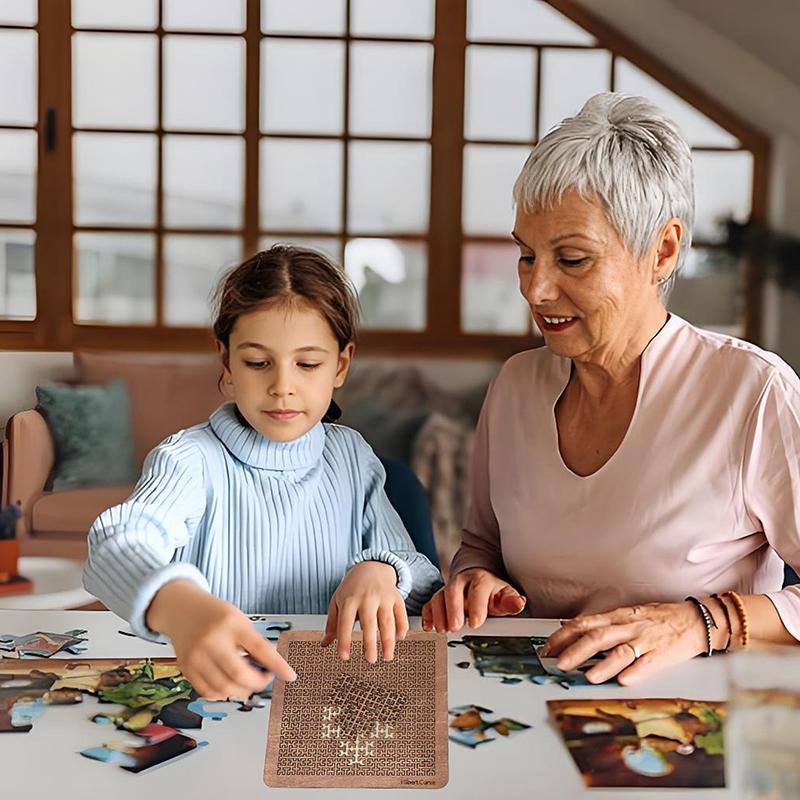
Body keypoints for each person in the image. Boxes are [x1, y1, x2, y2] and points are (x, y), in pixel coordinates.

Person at [422, 92, 800, 684]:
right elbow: (480, 543)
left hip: (691, 730)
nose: (536, 289)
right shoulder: (517, 386)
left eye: (572, 259)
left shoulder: (751, 393)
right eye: (526, 255)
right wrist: (474, 581)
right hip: (527, 708)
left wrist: (701, 622)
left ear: (663, 250)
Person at [84, 245, 442, 700]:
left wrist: (382, 571)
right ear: (227, 362)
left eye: (308, 364)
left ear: (341, 364)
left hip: (332, 702)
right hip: (214, 702)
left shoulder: (353, 457)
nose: (282, 386)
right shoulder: (189, 460)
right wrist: (180, 606)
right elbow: (114, 543)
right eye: (257, 362)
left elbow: (425, 582)